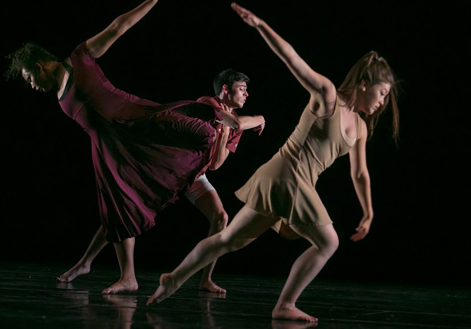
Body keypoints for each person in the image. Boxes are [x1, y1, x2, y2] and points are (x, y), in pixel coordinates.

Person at [147, 2, 400, 323]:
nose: (381, 103)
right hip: (286, 174)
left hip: (290, 182)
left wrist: (369, 210)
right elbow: (291, 58)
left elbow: (360, 173)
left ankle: (173, 278)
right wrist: (260, 25)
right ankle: (285, 305)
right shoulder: (327, 95)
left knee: (228, 240)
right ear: (364, 83)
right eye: (381, 94)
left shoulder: (361, 127)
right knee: (328, 241)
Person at [4, 0, 264, 294]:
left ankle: (219, 118)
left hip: (134, 120)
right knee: (119, 205)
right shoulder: (60, 96)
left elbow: (119, 26)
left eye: (29, 78)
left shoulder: (80, 58)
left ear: (38, 66)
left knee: (185, 120)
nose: (32, 85)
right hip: (112, 147)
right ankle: (126, 276)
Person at [55, 68, 265, 294]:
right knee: (125, 210)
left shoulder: (235, 124)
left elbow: (215, 164)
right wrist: (261, 119)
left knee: (220, 217)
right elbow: (236, 123)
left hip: (195, 174)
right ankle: (85, 263)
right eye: (242, 89)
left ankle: (206, 279)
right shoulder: (207, 103)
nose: (246, 94)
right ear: (225, 89)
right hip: (171, 167)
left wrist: (224, 135)